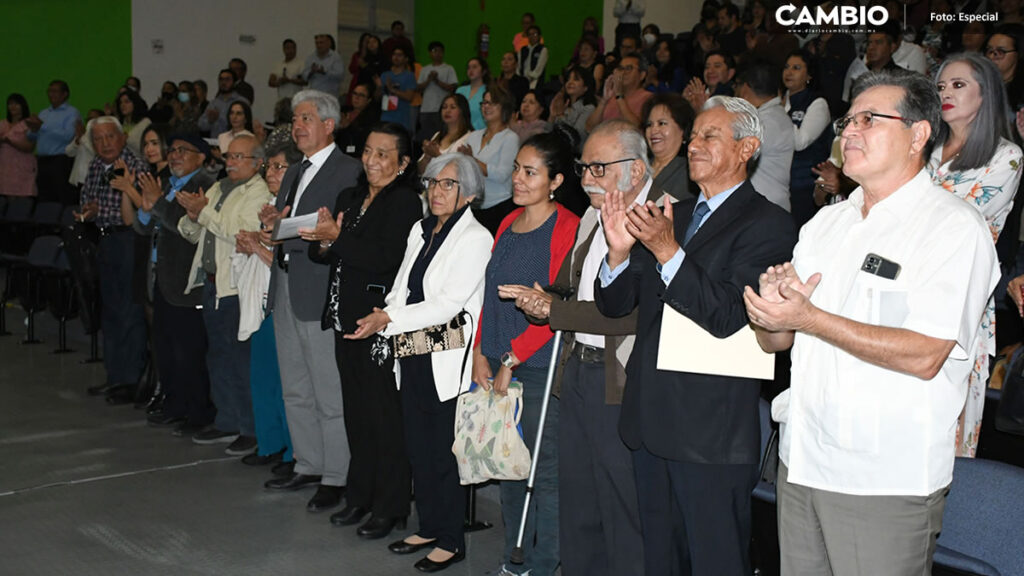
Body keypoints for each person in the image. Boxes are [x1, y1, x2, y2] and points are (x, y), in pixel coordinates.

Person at [745, 69, 999, 576]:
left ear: (919, 133)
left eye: (868, 119)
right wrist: (770, 314)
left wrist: (810, 317)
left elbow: (926, 354)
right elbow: (779, 342)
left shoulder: (951, 227)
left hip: (882, 475)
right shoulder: (826, 223)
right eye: (847, 120)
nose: (849, 132)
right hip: (803, 461)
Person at [596, 96, 797, 575]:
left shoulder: (769, 223)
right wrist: (619, 254)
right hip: (650, 419)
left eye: (711, 135)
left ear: (746, 147)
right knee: (659, 559)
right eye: (694, 136)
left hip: (710, 432)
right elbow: (617, 304)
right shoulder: (676, 214)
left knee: (715, 560)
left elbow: (729, 315)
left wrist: (668, 251)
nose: (694, 145)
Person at [498, 119, 654, 576]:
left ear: (637, 172)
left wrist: (554, 311)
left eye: (600, 168)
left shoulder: (657, 221)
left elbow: (627, 312)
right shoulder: (592, 215)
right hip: (577, 371)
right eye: (585, 167)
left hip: (618, 377)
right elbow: (569, 288)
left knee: (620, 502)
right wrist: (539, 298)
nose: (588, 178)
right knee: (578, 498)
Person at [348, 153, 491, 572]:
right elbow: (403, 286)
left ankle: (451, 539)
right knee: (417, 444)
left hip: (445, 347)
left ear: (468, 193)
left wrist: (389, 319)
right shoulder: (421, 228)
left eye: (448, 184)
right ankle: (429, 525)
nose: (438, 191)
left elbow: (448, 305)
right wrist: (385, 312)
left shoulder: (475, 238)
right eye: (433, 183)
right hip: (412, 344)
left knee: (441, 450)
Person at [300, 123, 423, 538]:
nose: (371, 160)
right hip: (342, 316)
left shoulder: (405, 203)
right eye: (368, 151)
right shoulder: (349, 197)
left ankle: (391, 507)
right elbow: (329, 256)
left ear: (404, 163)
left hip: (378, 320)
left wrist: (336, 239)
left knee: (384, 417)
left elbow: (386, 259)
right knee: (356, 414)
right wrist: (322, 241)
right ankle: (361, 497)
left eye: (384, 153)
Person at [472, 128, 581, 576]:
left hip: (536, 366)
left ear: (555, 181)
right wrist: (482, 352)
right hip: (498, 361)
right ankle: (513, 557)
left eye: (530, 172)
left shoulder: (568, 227)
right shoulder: (505, 222)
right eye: (517, 168)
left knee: (544, 474)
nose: (518, 178)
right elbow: (488, 295)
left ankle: (543, 561)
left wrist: (512, 359)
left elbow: (556, 305)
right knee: (509, 467)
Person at [260, 89, 360, 511]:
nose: (297, 126)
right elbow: (287, 224)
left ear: (329, 125)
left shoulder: (348, 170)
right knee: (295, 387)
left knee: (327, 389)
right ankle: (308, 462)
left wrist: (293, 231)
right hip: (284, 284)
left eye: (306, 119)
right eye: (295, 119)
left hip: (319, 287)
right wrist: (273, 226)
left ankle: (337, 475)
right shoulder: (295, 170)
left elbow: (341, 231)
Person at [929, 53, 1024, 457]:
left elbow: (952, 221)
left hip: (956, 294)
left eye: (958, 85)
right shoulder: (922, 145)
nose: (945, 93)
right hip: (901, 286)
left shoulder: (1006, 157)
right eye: (940, 87)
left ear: (986, 95)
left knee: (944, 423)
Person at [176, 134, 271, 455]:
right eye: (229, 156)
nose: (230, 162)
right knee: (217, 355)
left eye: (239, 157)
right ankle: (227, 419)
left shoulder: (258, 191)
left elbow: (239, 233)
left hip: (237, 285)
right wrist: (192, 217)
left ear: (258, 162)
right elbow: (194, 231)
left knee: (238, 359)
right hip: (214, 283)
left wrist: (202, 214)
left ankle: (250, 427)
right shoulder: (219, 187)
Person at [131, 133, 216, 436]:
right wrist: (147, 205)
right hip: (161, 279)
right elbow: (143, 227)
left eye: (184, 150)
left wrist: (157, 205)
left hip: (187, 282)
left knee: (190, 350)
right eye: (172, 150)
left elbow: (186, 228)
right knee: (165, 348)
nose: (175, 155)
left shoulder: (205, 184)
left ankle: (198, 411)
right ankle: (174, 404)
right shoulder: (166, 184)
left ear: (202, 156)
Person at [233, 139, 302, 467]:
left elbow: (290, 261)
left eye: (279, 167)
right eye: (270, 166)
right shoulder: (272, 206)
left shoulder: (298, 207)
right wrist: (252, 242)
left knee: (282, 383)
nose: (271, 173)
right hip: (262, 301)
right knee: (262, 377)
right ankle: (269, 443)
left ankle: (293, 451)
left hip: (285, 302)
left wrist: (259, 248)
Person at [75, 117, 150, 402]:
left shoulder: (135, 165)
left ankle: (132, 380)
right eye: (98, 139)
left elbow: (144, 209)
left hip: (130, 240)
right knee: (110, 310)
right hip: (105, 239)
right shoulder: (95, 166)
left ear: (122, 138)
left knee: (130, 310)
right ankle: (115, 375)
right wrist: (89, 210)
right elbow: (89, 199)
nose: (105, 143)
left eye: (110, 137)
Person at [458, 86, 520, 234]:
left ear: (504, 107)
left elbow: (501, 175)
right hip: (472, 205)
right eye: (484, 103)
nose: (486, 107)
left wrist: (472, 160)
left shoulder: (510, 138)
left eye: (491, 103)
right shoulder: (473, 136)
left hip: (498, 207)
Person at [782, 50, 834, 227]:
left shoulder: (817, 103)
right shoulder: (780, 100)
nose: (789, 72)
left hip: (804, 184)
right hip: (780, 181)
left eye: (796, 68)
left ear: (809, 75)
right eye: (787, 67)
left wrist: (780, 113)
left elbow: (800, 142)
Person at [735, 62, 795, 212]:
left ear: (745, 89)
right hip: (769, 204)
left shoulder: (764, 122)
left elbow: (732, 153)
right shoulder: (776, 116)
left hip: (765, 207)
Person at [26, 80, 80, 204]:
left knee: (61, 197)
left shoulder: (72, 112)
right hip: (42, 161)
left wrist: (42, 126)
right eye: (49, 91)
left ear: (65, 94)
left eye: (55, 91)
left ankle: (63, 223)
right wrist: (33, 129)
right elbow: (31, 137)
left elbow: (68, 136)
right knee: (44, 197)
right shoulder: (44, 113)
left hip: (60, 161)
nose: (51, 94)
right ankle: (46, 223)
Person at [642, 93, 696, 201]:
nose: (653, 130)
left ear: (682, 129)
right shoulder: (639, 166)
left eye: (661, 123)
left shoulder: (690, 172)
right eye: (649, 125)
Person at [585, 53, 653, 133]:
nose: (623, 73)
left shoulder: (648, 98)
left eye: (628, 68)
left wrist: (619, 96)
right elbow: (589, 128)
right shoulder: (611, 96)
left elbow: (635, 129)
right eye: (620, 68)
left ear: (642, 75)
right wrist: (604, 100)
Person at [418, 93, 472, 174]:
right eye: (444, 107)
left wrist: (437, 155)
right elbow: (421, 171)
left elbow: (458, 171)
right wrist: (427, 156)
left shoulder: (469, 137)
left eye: (453, 107)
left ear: (462, 111)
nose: (447, 111)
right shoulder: (438, 135)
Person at [416, 41, 458, 141]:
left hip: (442, 109)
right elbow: (418, 89)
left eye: (440, 51)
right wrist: (429, 79)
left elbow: (453, 88)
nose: (437, 54)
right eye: (434, 51)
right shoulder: (425, 69)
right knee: (426, 138)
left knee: (441, 136)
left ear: (443, 53)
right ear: (430, 53)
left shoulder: (448, 68)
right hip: (426, 109)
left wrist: (437, 81)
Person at [0, 93, 37, 197]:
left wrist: (10, 141)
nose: (13, 107)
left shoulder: (28, 124)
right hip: (4, 166)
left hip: (22, 166)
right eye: (10, 104)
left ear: (23, 106)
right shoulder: (2, 124)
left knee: (21, 198)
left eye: (16, 104)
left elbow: (30, 147)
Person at [550, 67, 597, 144]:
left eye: (576, 79)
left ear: (585, 87)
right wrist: (552, 115)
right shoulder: (563, 106)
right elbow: (549, 132)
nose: (570, 82)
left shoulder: (588, 108)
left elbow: (576, 138)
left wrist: (561, 116)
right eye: (568, 79)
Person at [199, 69, 250, 139]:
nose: (223, 82)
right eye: (221, 79)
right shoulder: (214, 103)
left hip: (235, 142)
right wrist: (210, 121)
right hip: (216, 143)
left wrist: (220, 118)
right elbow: (201, 126)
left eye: (227, 79)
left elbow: (246, 125)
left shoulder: (242, 102)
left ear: (234, 82)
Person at [335, 81, 380, 158]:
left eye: (361, 95)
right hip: (338, 152)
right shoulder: (343, 111)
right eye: (355, 93)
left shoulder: (371, 118)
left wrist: (348, 126)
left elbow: (365, 140)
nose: (356, 97)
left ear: (368, 100)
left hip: (357, 156)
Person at [380, 47, 417, 134]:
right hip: (385, 117)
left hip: (401, 119)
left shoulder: (409, 76)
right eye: (394, 55)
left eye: (399, 55)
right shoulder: (385, 75)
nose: (396, 57)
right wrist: (378, 87)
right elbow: (378, 97)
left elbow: (409, 97)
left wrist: (392, 90)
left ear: (406, 59)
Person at [456, 57, 489, 131]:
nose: (471, 70)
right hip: (461, 132)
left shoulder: (488, 91)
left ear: (483, 71)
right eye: (468, 68)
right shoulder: (460, 90)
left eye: (474, 67)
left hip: (481, 131)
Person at [115, 89, 151, 157]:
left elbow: (146, 146)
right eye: (120, 103)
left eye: (127, 102)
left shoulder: (145, 123)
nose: (123, 105)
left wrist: (126, 140)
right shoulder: (118, 124)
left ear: (135, 103)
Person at [348, 33, 384, 99]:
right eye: (368, 42)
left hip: (379, 88)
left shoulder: (383, 57)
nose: (371, 44)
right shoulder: (364, 57)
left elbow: (379, 73)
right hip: (364, 88)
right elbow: (353, 70)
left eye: (374, 42)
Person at [518, 25, 549, 90]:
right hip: (521, 81)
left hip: (535, 82)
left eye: (534, 34)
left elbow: (539, 69)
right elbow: (518, 66)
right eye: (529, 34)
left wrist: (530, 77)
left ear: (539, 36)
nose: (532, 37)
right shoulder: (523, 49)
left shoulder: (543, 50)